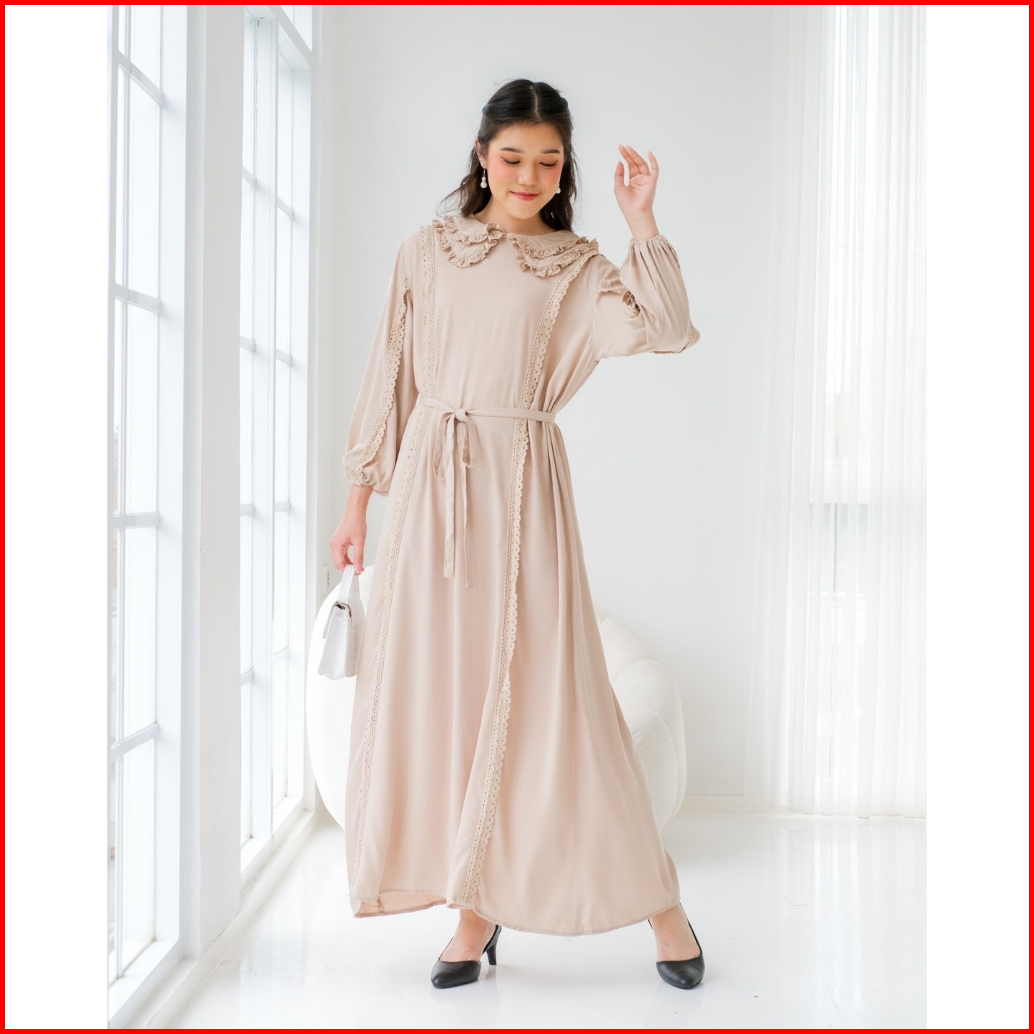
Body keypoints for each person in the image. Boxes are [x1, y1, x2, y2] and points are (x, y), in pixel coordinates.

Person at [329, 78, 704, 991]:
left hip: (525, 488)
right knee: (449, 697)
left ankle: (662, 905)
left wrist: (641, 221)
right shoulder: (426, 251)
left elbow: (665, 329)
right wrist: (358, 501)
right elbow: (390, 372)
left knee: (556, 701)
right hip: (430, 490)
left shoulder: (574, 265)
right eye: (512, 157)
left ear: (566, 166)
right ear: (481, 155)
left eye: (548, 160)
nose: (529, 176)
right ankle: (474, 910)